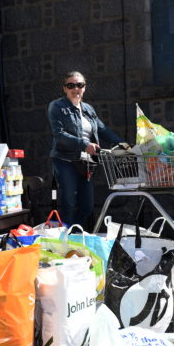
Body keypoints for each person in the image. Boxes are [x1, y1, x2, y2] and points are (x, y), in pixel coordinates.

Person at [48, 71, 126, 228]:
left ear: (84, 88)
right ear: (64, 88)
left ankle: (73, 233)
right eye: (71, 85)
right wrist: (84, 144)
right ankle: (65, 240)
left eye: (79, 85)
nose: (75, 88)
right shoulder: (57, 106)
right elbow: (59, 134)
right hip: (65, 160)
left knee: (87, 206)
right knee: (69, 202)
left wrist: (123, 143)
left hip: (86, 163)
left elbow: (103, 129)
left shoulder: (89, 109)